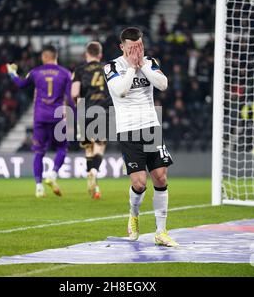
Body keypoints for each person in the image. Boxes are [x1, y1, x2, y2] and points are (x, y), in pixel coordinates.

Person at [104, 27, 177, 247]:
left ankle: (161, 232)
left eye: (140, 45)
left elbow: (163, 85)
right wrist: (132, 68)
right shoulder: (112, 66)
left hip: (151, 127)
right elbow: (121, 91)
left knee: (161, 177)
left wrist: (143, 65)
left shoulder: (150, 62)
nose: (137, 49)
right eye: (132, 46)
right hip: (128, 130)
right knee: (139, 183)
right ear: (122, 47)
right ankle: (133, 215)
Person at [6, 45, 75, 198]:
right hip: (57, 116)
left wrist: (12, 73)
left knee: (39, 152)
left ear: (44, 57)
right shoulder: (65, 73)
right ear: (55, 56)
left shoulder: (35, 72)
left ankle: (38, 186)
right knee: (62, 148)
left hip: (40, 117)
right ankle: (53, 174)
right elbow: (70, 99)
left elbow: (21, 84)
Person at [71, 41, 112, 199]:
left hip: (85, 110)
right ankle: (94, 173)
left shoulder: (80, 70)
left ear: (86, 54)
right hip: (104, 109)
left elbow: (74, 93)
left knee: (88, 147)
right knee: (99, 145)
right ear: (100, 54)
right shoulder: (107, 68)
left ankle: (94, 186)